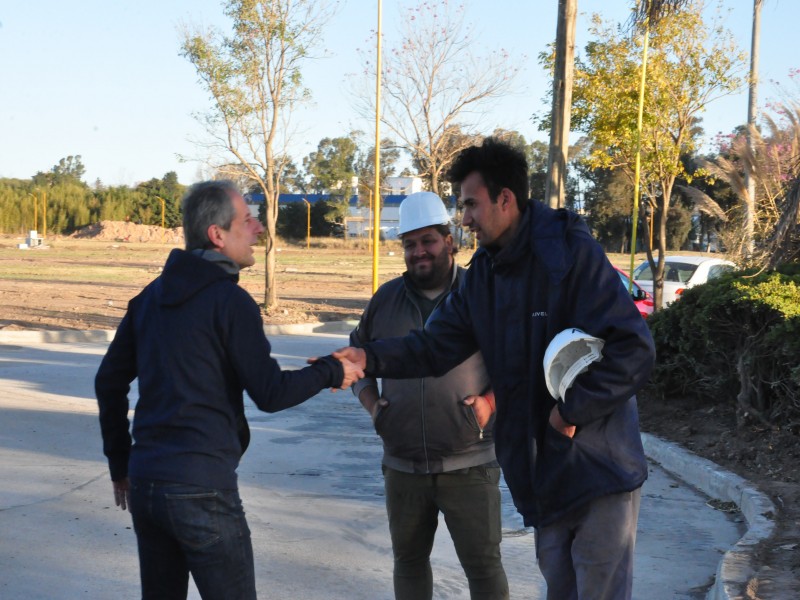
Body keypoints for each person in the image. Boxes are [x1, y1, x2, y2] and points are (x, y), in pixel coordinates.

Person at [335, 138, 656, 600]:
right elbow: (436, 345)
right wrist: (370, 358)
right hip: (543, 472)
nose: (464, 218)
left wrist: (571, 413)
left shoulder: (570, 256)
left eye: (470, 204)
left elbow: (634, 349)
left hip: (598, 466)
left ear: (505, 199)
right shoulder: (486, 274)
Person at [95, 180, 363, 600]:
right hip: (201, 489)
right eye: (248, 220)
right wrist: (332, 370)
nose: (258, 229)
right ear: (217, 235)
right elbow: (271, 393)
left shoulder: (148, 299)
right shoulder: (229, 302)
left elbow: (107, 381)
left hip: (147, 486)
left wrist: (121, 464)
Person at [351, 191, 509, 600]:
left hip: (469, 463)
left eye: (428, 241)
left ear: (449, 240)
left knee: (484, 568)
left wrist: (489, 404)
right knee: (408, 563)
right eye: (409, 244)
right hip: (402, 466)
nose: (419, 252)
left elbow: (517, 361)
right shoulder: (385, 300)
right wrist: (373, 406)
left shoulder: (482, 292)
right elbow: (357, 357)